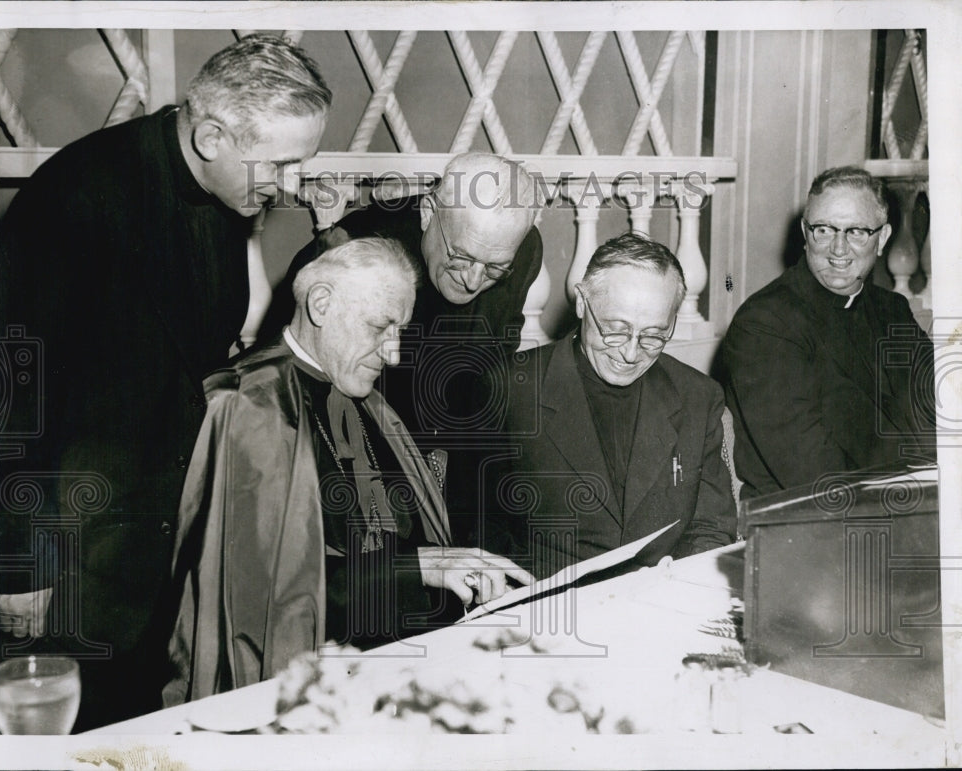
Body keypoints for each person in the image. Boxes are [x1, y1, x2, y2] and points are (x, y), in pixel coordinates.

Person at [0, 33, 331, 730]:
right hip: (75, 561)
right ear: (211, 135)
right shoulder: (77, 194)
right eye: (283, 163)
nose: (293, 185)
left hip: (159, 545)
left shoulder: (224, 194)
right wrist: (19, 568)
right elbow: (10, 394)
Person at [164, 237, 533, 704]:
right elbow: (260, 608)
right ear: (321, 304)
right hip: (304, 692)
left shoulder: (367, 398)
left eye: (400, 330)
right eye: (380, 327)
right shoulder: (248, 405)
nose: (394, 354)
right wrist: (413, 568)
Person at [259, 154, 543, 547]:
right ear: (429, 213)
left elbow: (492, 363)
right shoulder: (354, 252)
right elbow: (291, 382)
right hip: (359, 442)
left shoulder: (521, 249)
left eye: (495, 268)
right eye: (462, 257)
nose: (475, 279)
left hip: (455, 435)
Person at [482, 232, 737, 580]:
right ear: (583, 304)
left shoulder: (698, 397)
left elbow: (711, 527)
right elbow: (481, 536)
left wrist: (679, 580)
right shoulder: (510, 389)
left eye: (653, 335)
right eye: (615, 330)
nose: (630, 353)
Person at [722, 166, 936, 500]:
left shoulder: (892, 310)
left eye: (856, 232)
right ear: (806, 234)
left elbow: (937, 417)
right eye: (824, 230)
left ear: (881, 239)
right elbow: (812, 473)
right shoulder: (765, 324)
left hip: (907, 503)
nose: (838, 249)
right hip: (812, 519)